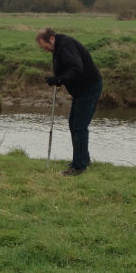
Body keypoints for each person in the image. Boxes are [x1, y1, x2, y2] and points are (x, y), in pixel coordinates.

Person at [35, 27, 103, 176]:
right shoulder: (58, 47)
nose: (45, 50)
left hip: (89, 87)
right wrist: (58, 80)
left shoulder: (65, 46)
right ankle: (83, 159)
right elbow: (66, 68)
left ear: (51, 38)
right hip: (80, 90)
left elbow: (77, 68)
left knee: (79, 126)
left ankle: (79, 167)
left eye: (45, 47)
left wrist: (58, 79)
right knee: (73, 123)